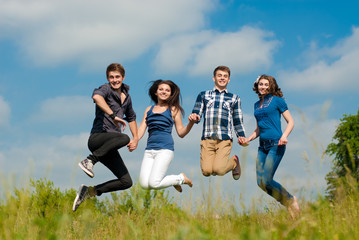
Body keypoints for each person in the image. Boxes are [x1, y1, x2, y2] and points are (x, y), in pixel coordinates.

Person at [72, 63, 138, 212]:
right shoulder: (105, 89)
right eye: (111, 77)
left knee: (126, 182)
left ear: (123, 77)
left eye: (117, 77)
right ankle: (89, 160)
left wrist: (136, 139)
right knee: (123, 138)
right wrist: (113, 115)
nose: (114, 80)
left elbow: (132, 117)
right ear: (108, 78)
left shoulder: (127, 97)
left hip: (110, 145)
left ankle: (89, 192)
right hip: (98, 139)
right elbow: (97, 97)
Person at [239, 74, 300, 218]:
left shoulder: (277, 101)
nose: (263, 87)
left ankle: (291, 200)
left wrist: (284, 136)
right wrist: (248, 139)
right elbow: (259, 128)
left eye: (266, 84)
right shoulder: (256, 105)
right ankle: (288, 204)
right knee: (261, 183)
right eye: (261, 84)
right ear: (257, 86)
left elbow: (290, 122)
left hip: (276, 144)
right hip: (262, 147)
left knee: (267, 180)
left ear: (271, 86)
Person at [188, 65, 246, 180]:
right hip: (207, 138)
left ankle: (234, 161)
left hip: (225, 138)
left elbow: (237, 119)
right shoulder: (204, 95)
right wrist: (194, 117)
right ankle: (222, 164)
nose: (222, 78)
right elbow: (197, 112)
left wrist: (242, 136)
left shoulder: (234, 98)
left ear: (229, 80)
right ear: (214, 78)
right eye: (219, 75)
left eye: (225, 76)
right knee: (206, 171)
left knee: (219, 170)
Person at [138, 80, 194, 192]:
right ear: (156, 92)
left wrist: (191, 123)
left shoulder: (173, 110)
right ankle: (174, 180)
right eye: (161, 89)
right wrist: (134, 140)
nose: (164, 92)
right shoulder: (149, 110)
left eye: (167, 90)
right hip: (149, 150)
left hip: (165, 149)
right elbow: (141, 129)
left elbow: (181, 133)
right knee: (144, 185)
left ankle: (180, 178)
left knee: (154, 183)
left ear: (171, 94)